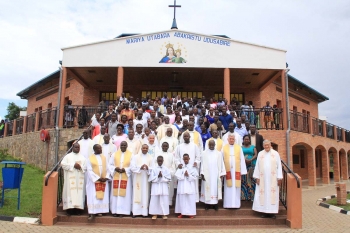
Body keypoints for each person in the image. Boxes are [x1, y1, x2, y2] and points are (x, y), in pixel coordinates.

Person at [252, 140, 283, 218]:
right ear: (263, 146)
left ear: (270, 145)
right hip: (263, 179)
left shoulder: (275, 154)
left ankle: (272, 213)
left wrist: (279, 178)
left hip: (273, 179)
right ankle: (264, 211)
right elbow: (257, 166)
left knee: (272, 195)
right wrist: (257, 177)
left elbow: (279, 166)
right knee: (264, 194)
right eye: (265, 145)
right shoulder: (260, 154)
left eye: (268, 145)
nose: (266, 146)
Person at [222, 135, 247, 208]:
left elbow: (242, 159)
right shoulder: (224, 148)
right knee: (228, 187)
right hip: (228, 171)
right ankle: (227, 204)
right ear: (227, 139)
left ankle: (236, 204)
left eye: (233, 139)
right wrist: (222, 171)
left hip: (236, 170)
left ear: (235, 139)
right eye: (230, 139)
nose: (231, 140)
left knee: (236, 187)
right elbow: (221, 160)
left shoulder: (238, 148)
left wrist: (243, 171)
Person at [86, 144, 110, 220]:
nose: (100, 149)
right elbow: (89, 170)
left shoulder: (104, 158)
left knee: (100, 197)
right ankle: (92, 212)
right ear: (95, 149)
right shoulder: (90, 159)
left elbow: (108, 168)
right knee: (93, 196)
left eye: (101, 148)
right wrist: (97, 178)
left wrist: (106, 177)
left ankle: (100, 211)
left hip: (102, 180)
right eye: (99, 148)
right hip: (94, 182)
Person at [61, 143, 87, 216]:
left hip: (79, 180)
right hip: (70, 180)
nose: (77, 149)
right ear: (72, 147)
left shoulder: (82, 157)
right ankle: (69, 210)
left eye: (78, 147)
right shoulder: (68, 157)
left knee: (79, 193)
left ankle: (78, 210)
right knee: (70, 193)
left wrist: (80, 167)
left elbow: (85, 167)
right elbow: (63, 164)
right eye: (76, 147)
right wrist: (73, 165)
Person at [109, 141, 133, 217]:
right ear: (119, 146)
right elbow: (109, 165)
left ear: (127, 146)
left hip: (125, 177)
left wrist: (125, 169)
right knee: (116, 194)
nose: (123, 146)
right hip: (116, 176)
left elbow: (133, 166)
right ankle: (115, 210)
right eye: (122, 145)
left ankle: (123, 211)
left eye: (124, 145)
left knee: (124, 194)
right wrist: (115, 168)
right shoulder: (114, 154)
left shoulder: (131, 155)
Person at [200, 140, 225, 211]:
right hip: (207, 174)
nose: (211, 146)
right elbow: (202, 164)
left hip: (215, 174)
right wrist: (202, 173)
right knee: (207, 188)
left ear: (215, 145)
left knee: (215, 189)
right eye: (210, 145)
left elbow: (221, 164)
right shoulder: (204, 153)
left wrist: (221, 174)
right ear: (208, 145)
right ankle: (207, 204)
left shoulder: (219, 153)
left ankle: (215, 204)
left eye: (212, 145)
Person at [175, 132, 201, 202]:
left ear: (190, 137)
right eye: (184, 136)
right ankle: (183, 201)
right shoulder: (179, 147)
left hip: (192, 169)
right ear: (183, 138)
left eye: (187, 136)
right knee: (183, 186)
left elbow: (198, 157)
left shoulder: (194, 146)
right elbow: (176, 158)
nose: (186, 137)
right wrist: (178, 164)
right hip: (182, 169)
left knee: (192, 185)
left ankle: (193, 200)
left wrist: (196, 162)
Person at [130, 144, 154, 218]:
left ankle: (144, 212)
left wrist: (148, 168)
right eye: (143, 148)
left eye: (146, 148)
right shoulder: (135, 157)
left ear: (148, 149)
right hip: (138, 177)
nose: (145, 149)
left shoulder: (151, 158)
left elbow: (153, 168)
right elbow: (132, 167)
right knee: (136, 193)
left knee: (145, 193)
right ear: (141, 148)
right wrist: (140, 167)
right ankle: (135, 212)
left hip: (146, 178)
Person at [175, 154, 198, 218]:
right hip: (182, 185)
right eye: (184, 159)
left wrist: (188, 175)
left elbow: (195, 177)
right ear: (182, 159)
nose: (185, 160)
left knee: (190, 199)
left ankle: (190, 213)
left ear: (189, 159)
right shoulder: (180, 167)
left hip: (190, 186)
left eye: (187, 159)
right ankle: (182, 213)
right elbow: (177, 176)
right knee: (182, 199)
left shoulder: (192, 167)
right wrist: (183, 175)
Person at [148, 156, 172, 220]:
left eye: (161, 161)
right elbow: (151, 178)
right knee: (155, 200)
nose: (160, 162)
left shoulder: (166, 169)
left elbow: (169, 178)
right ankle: (154, 214)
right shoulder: (154, 169)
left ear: (163, 161)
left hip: (163, 187)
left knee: (163, 200)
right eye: (159, 161)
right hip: (156, 187)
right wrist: (157, 177)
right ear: (157, 161)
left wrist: (162, 177)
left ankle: (163, 214)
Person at [157, 142, 176, 206]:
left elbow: (173, 165)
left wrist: (169, 173)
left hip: (168, 175)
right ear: (161, 146)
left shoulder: (171, 155)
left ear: (168, 147)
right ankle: (160, 203)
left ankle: (169, 203)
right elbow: (155, 164)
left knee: (169, 190)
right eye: (163, 146)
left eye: (166, 146)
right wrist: (159, 172)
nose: (164, 147)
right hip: (159, 176)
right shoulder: (158, 154)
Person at [241, 135, 257, 201]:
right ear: (243, 140)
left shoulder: (253, 147)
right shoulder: (240, 147)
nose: (246, 140)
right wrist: (244, 161)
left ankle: (252, 196)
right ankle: (244, 196)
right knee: (244, 180)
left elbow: (256, 155)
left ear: (249, 140)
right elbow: (239, 155)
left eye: (247, 139)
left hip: (252, 165)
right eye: (245, 139)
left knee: (252, 180)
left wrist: (250, 160)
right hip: (243, 165)